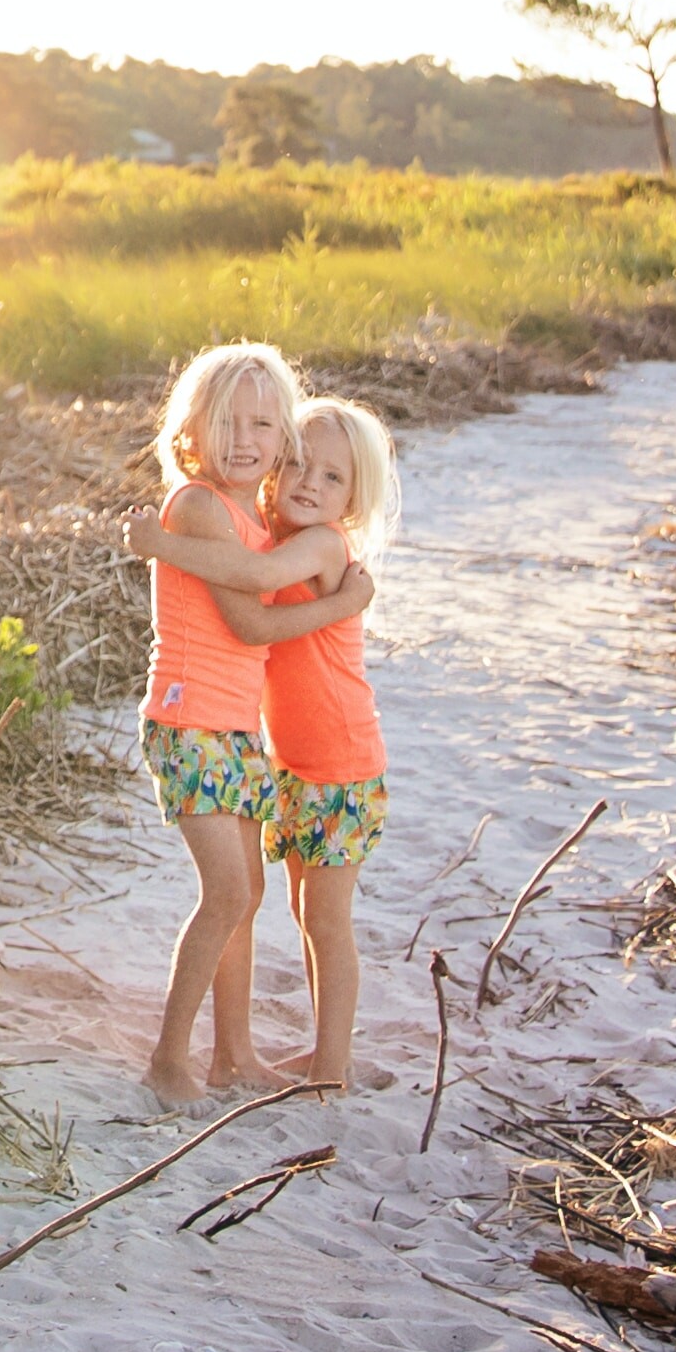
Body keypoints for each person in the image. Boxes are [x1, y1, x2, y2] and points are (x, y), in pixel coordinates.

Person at [136, 341, 368, 1102]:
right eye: (226, 423)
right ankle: (172, 1059)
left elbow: (265, 572)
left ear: (283, 441)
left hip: (235, 731)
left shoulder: (256, 519)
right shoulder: (201, 506)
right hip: (189, 719)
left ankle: (232, 1055)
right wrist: (347, 602)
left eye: (263, 425)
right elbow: (251, 625)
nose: (244, 441)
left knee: (248, 897)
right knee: (229, 894)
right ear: (191, 431)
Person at [242, 397, 401, 1086]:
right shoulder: (276, 534)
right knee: (304, 911)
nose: (310, 483)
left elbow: (259, 593)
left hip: (342, 761)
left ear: (352, 499)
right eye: (300, 464)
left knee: (327, 919)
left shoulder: (323, 546)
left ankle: (332, 1065)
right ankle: (325, 1049)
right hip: (297, 763)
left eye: (332, 478)